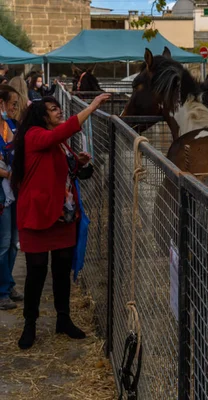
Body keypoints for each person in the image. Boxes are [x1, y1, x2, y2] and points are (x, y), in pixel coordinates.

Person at [11, 93, 111, 349]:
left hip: (62, 214)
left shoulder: (60, 144)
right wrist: (91, 107)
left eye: (58, 108)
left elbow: (59, 169)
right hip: (38, 213)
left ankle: (63, 319)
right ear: (42, 115)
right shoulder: (34, 134)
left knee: (61, 267)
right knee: (36, 269)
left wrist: (76, 163)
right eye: (54, 109)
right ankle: (30, 324)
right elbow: (57, 135)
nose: (59, 112)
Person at [0, 85, 22, 311]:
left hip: (14, 190)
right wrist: (7, 173)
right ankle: (2, 291)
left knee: (14, 242)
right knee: (4, 242)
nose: (15, 108)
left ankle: (8, 283)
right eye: (12, 103)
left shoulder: (12, 127)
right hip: (2, 191)